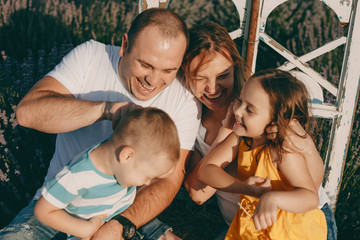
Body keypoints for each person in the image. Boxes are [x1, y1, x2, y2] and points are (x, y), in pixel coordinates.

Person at [0, 8, 200, 240]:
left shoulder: (184, 98)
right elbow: (27, 113)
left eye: (168, 70)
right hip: (60, 207)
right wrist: (104, 109)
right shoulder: (91, 56)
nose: (153, 81)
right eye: (145, 65)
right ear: (125, 45)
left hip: (121, 210)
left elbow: (170, 178)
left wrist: (119, 225)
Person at [182, 22, 337, 240]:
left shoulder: (276, 141)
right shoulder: (235, 130)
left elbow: (311, 192)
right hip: (247, 228)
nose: (213, 88)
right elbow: (202, 182)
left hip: (294, 230)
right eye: (200, 78)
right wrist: (245, 186)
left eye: (223, 75)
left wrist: (273, 197)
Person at [197, 69, 327, 239]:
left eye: (249, 109)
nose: (237, 111)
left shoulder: (280, 151)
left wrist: (273, 198)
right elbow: (206, 171)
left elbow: (310, 197)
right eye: (240, 101)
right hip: (254, 230)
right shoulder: (241, 138)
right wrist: (246, 189)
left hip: (290, 232)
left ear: (275, 120)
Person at [34, 107, 180, 240]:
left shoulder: (119, 166)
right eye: (147, 176)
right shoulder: (78, 176)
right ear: (127, 156)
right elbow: (43, 210)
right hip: (88, 228)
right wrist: (86, 230)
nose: (148, 182)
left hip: (117, 219)